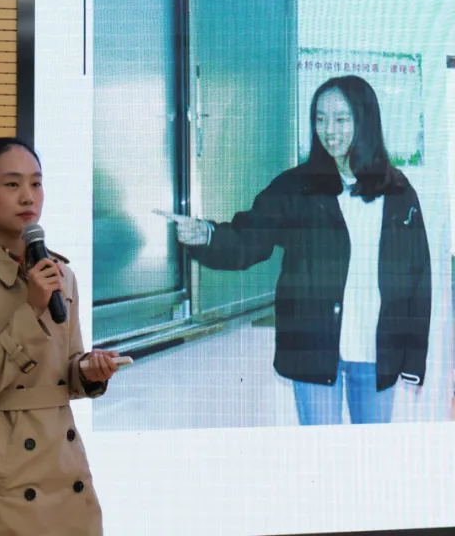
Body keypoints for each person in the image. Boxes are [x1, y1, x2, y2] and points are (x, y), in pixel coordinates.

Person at [159, 75, 431, 426]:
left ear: (365, 120)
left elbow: (417, 278)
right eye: (320, 118)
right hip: (313, 348)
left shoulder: (398, 192)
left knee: (371, 452)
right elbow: (249, 238)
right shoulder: (295, 187)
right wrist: (208, 235)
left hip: (378, 351)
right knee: (320, 451)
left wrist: (413, 358)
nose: (328, 130)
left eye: (341, 119)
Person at [0, 137, 120, 535]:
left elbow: (65, 371)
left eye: (36, 183)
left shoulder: (61, 274)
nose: (28, 196)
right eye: (12, 184)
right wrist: (31, 309)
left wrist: (89, 371)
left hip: (62, 466)